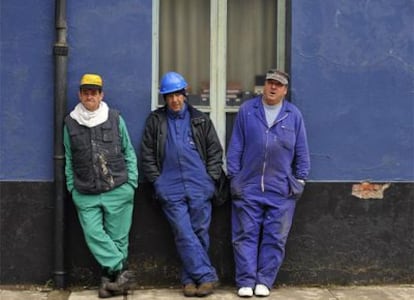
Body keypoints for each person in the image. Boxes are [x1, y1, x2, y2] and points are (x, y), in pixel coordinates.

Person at [226, 69, 310, 297]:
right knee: (245, 234)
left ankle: (264, 281)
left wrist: (300, 179)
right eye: (270, 83)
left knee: (275, 237)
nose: (273, 87)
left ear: (285, 90)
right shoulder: (247, 110)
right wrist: (234, 176)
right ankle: (245, 281)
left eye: (278, 85)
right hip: (248, 186)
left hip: (281, 188)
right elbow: (236, 146)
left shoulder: (293, 115)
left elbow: (302, 152)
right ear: (264, 85)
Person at [140, 71, 222, 297]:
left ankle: (189, 280)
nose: (175, 100)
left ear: (185, 94)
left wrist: (210, 179)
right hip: (170, 187)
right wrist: (158, 182)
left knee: (200, 232)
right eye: (169, 96)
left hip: (199, 185)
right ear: (164, 99)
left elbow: (215, 151)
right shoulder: (156, 120)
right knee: (183, 232)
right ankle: (207, 276)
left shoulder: (200, 120)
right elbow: (147, 154)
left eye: (178, 95)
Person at [63, 73, 138, 298]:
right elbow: (68, 158)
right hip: (85, 191)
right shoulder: (70, 122)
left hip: (118, 187)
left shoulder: (114, 118)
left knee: (118, 239)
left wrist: (131, 183)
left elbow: (128, 150)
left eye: (94, 92)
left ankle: (110, 283)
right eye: (85, 91)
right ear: (80, 94)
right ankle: (122, 270)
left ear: (101, 94)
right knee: (93, 233)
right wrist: (71, 188)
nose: (89, 95)